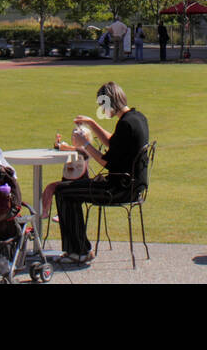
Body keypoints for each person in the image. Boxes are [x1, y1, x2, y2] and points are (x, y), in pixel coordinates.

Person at [52, 81, 149, 265]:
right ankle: (78, 249)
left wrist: (85, 145)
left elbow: (107, 161)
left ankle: (78, 251)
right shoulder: (137, 118)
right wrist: (91, 123)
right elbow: (113, 143)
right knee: (66, 190)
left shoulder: (125, 125)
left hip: (117, 189)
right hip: (134, 185)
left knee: (63, 191)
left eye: (102, 105)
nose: (101, 109)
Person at [41, 123, 93, 217]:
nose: (75, 137)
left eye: (78, 135)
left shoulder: (86, 150)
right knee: (49, 188)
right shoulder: (68, 149)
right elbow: (58, 147)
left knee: (64, 191)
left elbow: (80, 152)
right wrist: (57, 143)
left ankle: (62, 214)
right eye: (73, 135)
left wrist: (64, 147)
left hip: (81, 183)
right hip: (66, 181)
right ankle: (45, 210)